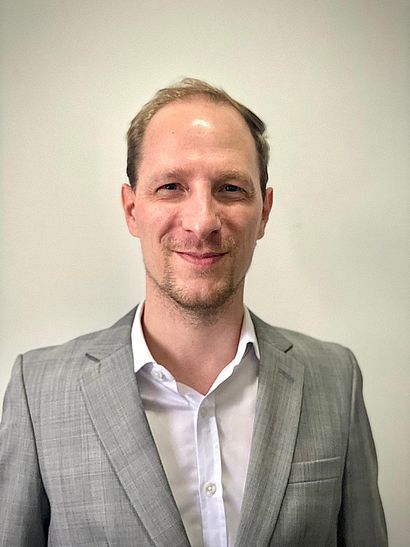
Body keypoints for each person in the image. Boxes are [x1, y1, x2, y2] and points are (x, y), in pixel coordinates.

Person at [0, 78, 387, 547]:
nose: (202, 222)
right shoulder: (38, 392)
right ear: (132, 210)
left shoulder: (335, 379)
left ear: (264, 213)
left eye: (230, 188)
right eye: (171, 186)